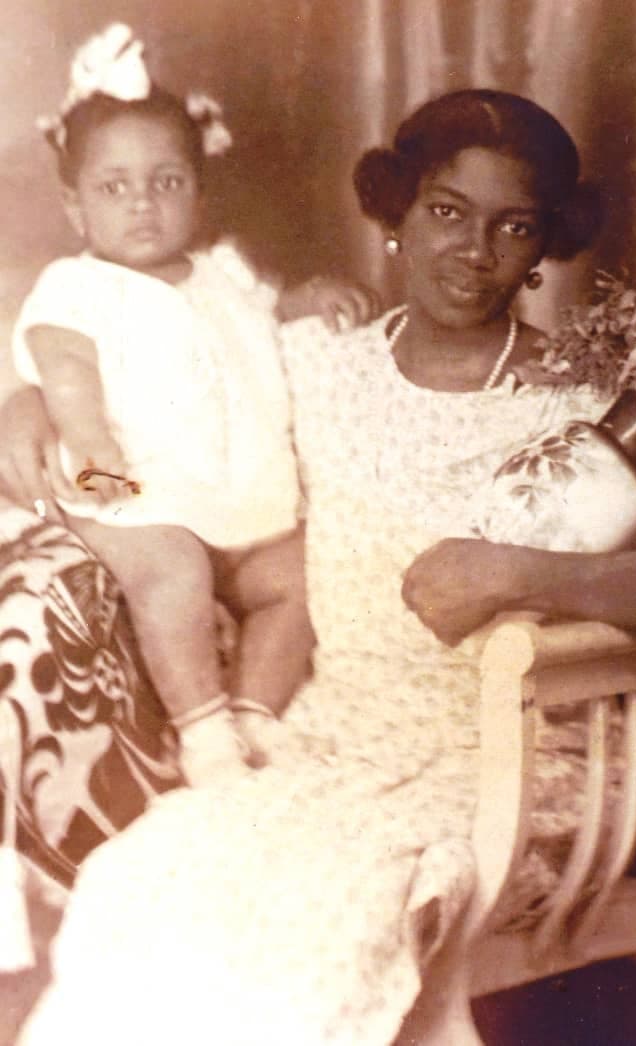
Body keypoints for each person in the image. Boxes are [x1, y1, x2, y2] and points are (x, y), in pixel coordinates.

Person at [2, 87, 636, 1044]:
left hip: (511, 770)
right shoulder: (312, 363)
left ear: (543, 251)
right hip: (322, 743)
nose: (473, 249)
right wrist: (27, 401)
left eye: (513, 226)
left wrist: (521, 574)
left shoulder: (583, 404)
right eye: (446, 211)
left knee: (313, 938)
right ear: (399, 215)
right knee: (144, 884)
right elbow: (148, 361)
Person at [11, 24, 376, 787]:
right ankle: (204, 731)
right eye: (114, 188)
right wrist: (92, 447)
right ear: (76, 207)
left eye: (166, 181)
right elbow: (66, 368)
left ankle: (256, 717)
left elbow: (270, 311)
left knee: (302, 577)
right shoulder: (79, 287)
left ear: (198, 192)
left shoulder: (225, 271)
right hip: (125, 487)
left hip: (241, 496)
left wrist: (307, 297)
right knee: (171, 569)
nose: (142, 204)